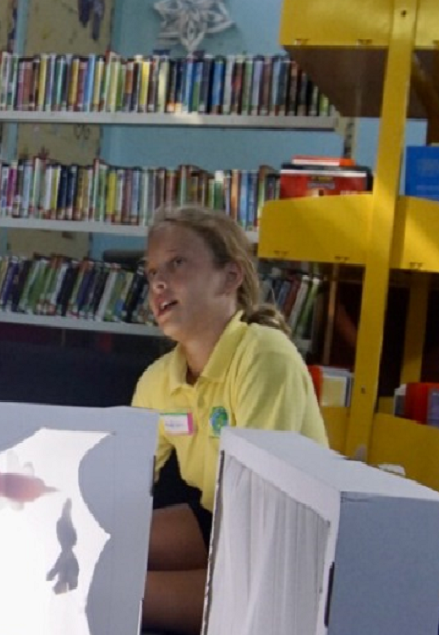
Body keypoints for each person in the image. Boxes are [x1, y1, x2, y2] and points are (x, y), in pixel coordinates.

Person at [132, 205, 329, 635]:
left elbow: (261, 512)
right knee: (98, 545)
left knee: (110, 586)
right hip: (222, 524)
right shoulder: (158, 378)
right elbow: (122, 480)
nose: (159, 282)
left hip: (284, 550)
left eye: (177, 263)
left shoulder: (265, 355)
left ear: (230, 277)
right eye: (151, 273)